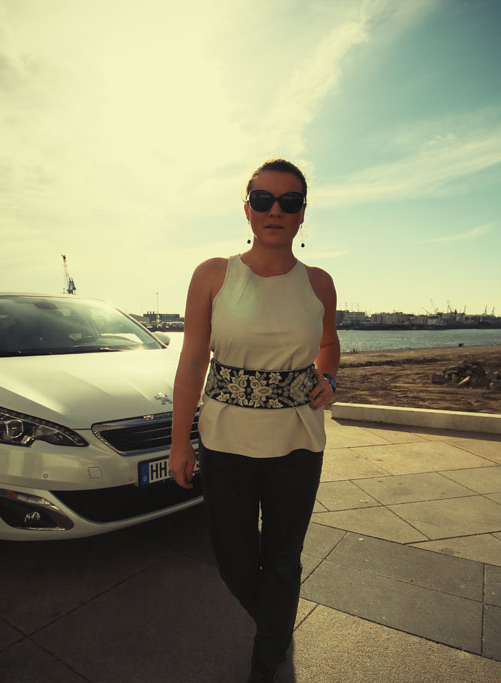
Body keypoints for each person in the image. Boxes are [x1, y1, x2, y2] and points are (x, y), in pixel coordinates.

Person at [169, 158, 339, 682]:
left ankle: (266, 662)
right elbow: (192, 360)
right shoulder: (213, 275)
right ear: (247, 209)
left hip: (298, 445)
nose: (275, 211)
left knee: (284, 559)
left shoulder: (319, 283)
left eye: (290, 202)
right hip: (226, 444)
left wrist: (330, 380)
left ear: (302, 213)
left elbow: (329, 345)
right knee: (234, 561)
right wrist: (180, 442)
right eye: (263, 200)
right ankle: (277, 628)